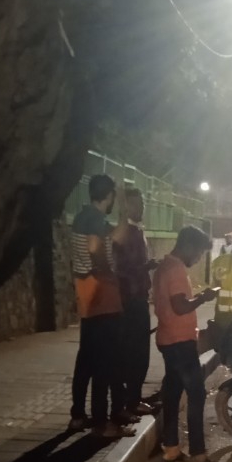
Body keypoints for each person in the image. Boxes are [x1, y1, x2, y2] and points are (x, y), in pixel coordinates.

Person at [69, 174, 133, 438]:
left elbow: (117, 238)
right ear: (108, 196)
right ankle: (101, 423)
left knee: (86, 359)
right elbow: (96, 248)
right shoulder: (94, 220)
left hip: (88, 298)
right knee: (104, 363)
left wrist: (123, 214)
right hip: (102, 298)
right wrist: (107, 273)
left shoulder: (84, 217)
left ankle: (78, 415)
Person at [153, 225, 219, 462]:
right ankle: (198, 453)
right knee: (197, 394)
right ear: (189, 246)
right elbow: (180, 306)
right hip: (180, 342)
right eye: (199, 253)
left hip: (168, 339)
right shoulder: (176, 269)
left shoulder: (164, 266)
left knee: (172, 392)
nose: (199, 258)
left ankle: (171, 447)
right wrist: (204, 297)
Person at [114, 187, 156, 418]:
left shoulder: (133, 231)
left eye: (142, 204)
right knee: (134, 354)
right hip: (131, 300)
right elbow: (124, 269)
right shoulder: (128, 233)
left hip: (134, 297)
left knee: (135, 354)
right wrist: (147, 267)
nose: (141, 208)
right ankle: (128, 403)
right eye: (136, 204)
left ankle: (130, 401)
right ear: (125, 207)